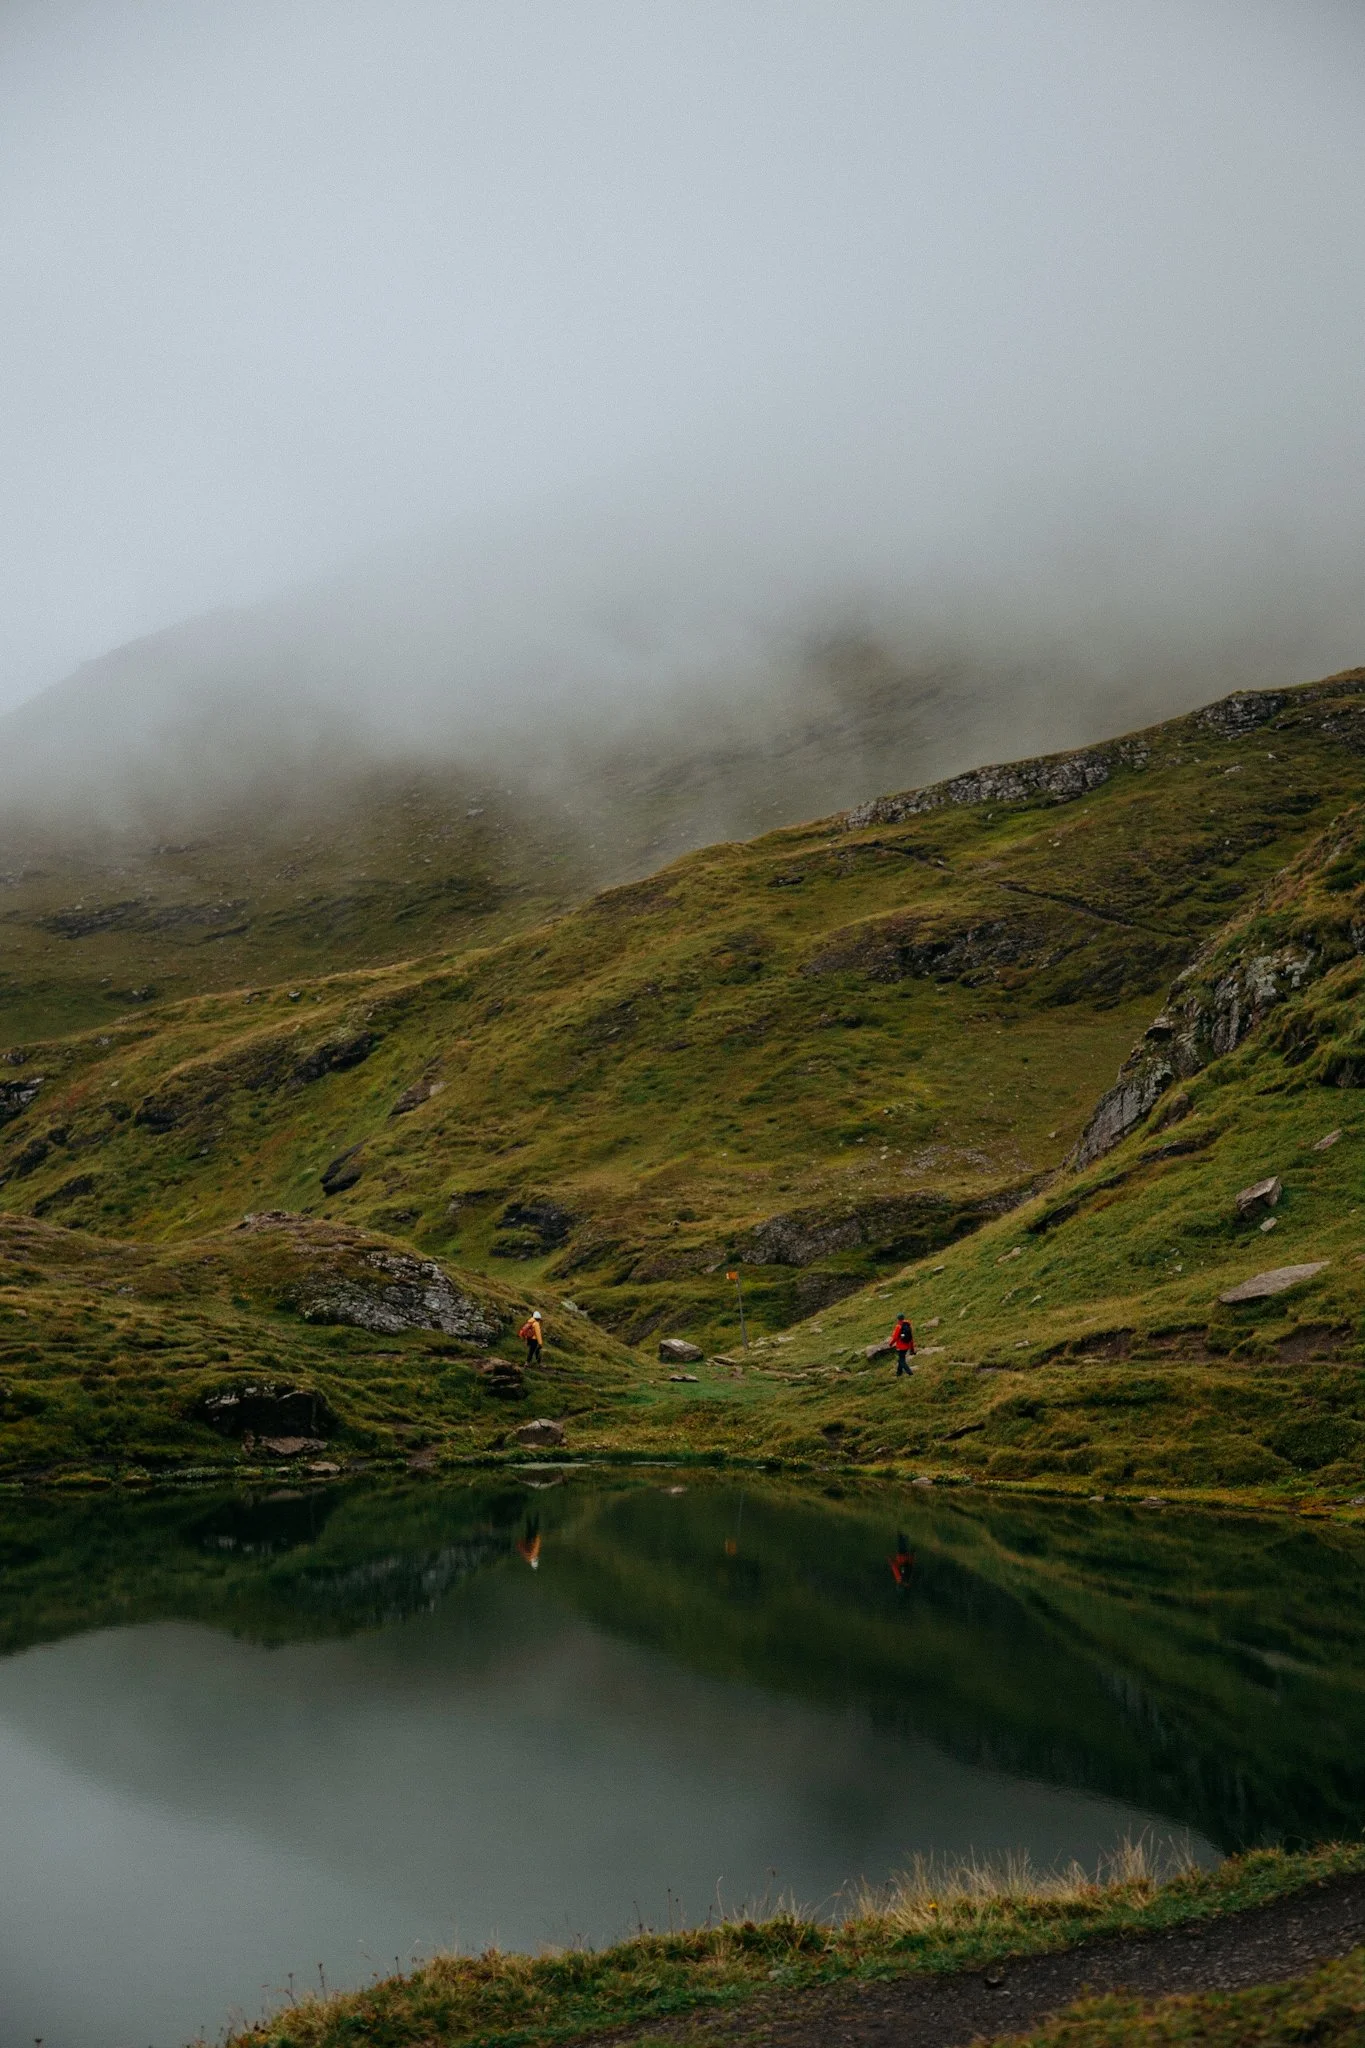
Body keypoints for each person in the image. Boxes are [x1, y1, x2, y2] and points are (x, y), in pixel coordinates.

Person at [889, 1311, 916, 1375]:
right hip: (907, 1345)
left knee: (902, 1361)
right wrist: (912, 1348)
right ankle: (899, 1373)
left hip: (900, 1347)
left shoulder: (898, 1326)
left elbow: (895, 1337)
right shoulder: (907, 1325)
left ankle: (910, 1373)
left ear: (898, 1319)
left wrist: (891, 1344)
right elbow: (910, 1337)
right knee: (901, 1359)